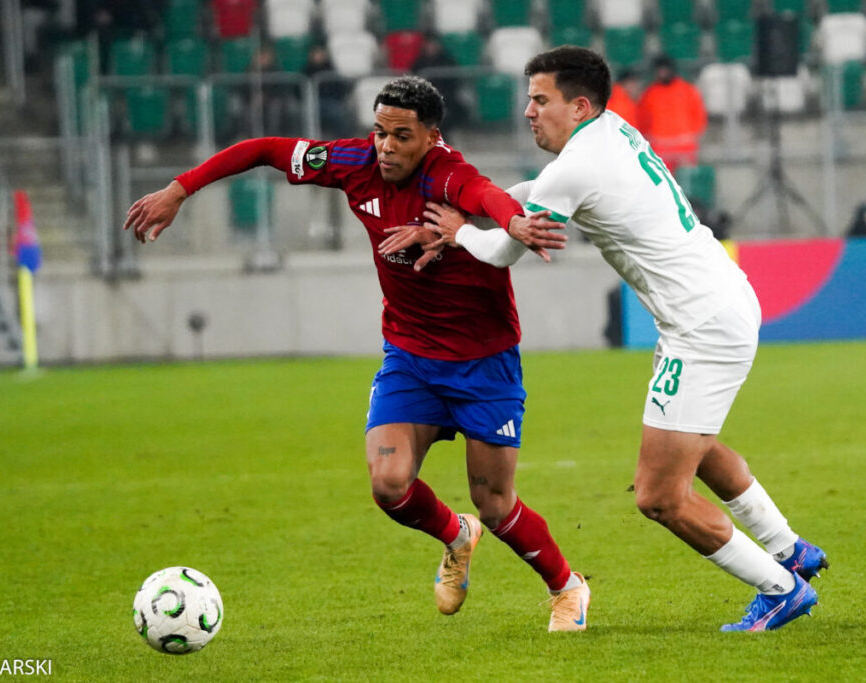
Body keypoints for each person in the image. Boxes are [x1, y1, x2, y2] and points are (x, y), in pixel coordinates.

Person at [122, 76, 592, 631]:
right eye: (379, 132)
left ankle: (567, 587)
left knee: (495, 503)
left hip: (482, 363)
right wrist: (180, 188)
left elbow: (486, 195)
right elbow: (265, 150)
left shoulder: (448, 174)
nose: (386, 146)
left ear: (430, 136)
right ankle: (454, 534)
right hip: (410, 357)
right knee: (388, 484)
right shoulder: (353, 163)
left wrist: (512, 222)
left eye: (401, 136)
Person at [411, 47, 828, 632]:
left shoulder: (573, 168)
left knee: (658, 494)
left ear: (579, 106)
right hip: (722, 298)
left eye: (540, 100)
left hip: (700, 325)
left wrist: (459, 233)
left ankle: (780, 588)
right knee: (695, 447)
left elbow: (505, 250)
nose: (528, 112)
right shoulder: (613, 131)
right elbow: (540, 189)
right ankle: (790, 550)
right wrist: (488, 203)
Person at [636, 54, 707, 172]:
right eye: (659, 70)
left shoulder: (688, 90)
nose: (662, 73)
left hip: (685, 148)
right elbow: (642, 119)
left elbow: (699, 115)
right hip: (660, 149)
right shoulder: (650, 93)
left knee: (686, 184)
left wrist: (693, 136)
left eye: (665, 69)